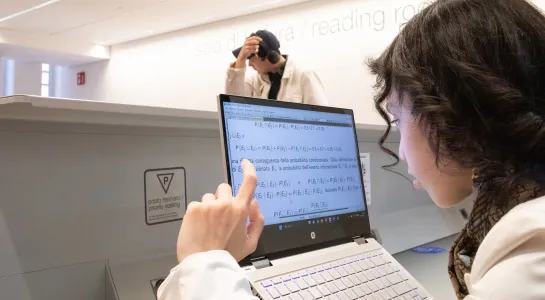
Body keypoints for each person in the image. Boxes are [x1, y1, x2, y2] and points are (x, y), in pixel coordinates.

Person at [159, 0, 545, 299]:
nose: (403, 153)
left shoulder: (530, 252)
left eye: (398, 118)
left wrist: (200, 264)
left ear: (451, 116)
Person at [225, 29, 328, 106]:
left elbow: (321, 117)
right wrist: (241, 59)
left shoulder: (304, 75)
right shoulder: (254, 82)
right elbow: (233, 104)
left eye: (252, 60)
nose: (250, 65)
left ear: (269, 57)